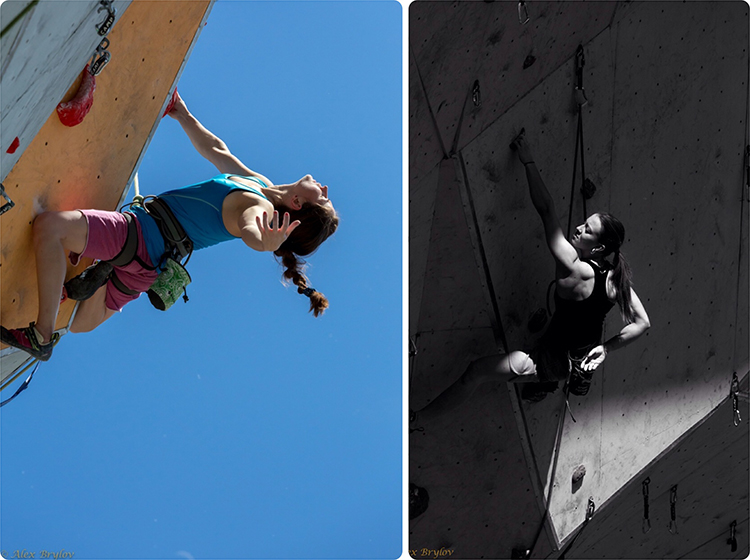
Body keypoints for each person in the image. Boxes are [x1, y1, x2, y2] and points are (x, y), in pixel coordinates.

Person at [0, 93, 339, 362]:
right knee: (81, 324)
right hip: (151, 265)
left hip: (140, 235)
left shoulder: (260, 207)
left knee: (50, 228)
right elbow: (218, 151)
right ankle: (101, 270)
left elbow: (251, 230)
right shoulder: (258, 184)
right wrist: (182, 115)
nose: (325, 190)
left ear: (297, 204)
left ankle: (41, 336)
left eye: (322, 200)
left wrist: (264, 243)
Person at [415, 130, 650, 421]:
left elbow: (546, 210)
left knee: (476, 371)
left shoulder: (571, 264)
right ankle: (569, 377)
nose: (577, 228)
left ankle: (420, 420)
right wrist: (606, 348)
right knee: (567, 354)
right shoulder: (615, 278)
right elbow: (643, 323)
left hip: (549, 360)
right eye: (583, 223)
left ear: (599, 247)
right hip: (581, 351)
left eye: (587, 230)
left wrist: (528, 161)